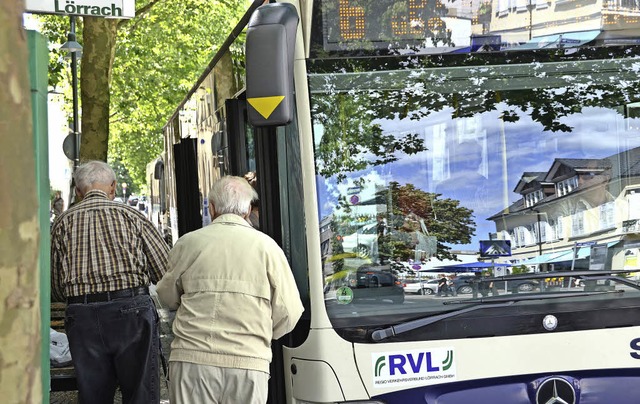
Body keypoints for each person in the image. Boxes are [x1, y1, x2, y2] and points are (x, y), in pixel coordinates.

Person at [157, 175, 304, 404]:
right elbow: (290, 312)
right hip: (248, 363)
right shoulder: (267, 247)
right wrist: (259, 334)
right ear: (247, 211)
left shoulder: (188, 243)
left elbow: (166, 296)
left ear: (212, 208)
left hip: (192, 361)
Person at [50, 160, 170, 404]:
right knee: (141, 394)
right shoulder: (132, 216)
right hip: (132, 313)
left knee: (93, 396)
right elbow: (166, 270)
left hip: (82, 316)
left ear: (79, 190)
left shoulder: (63, 223)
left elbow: (55, 286)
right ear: (113, 187)